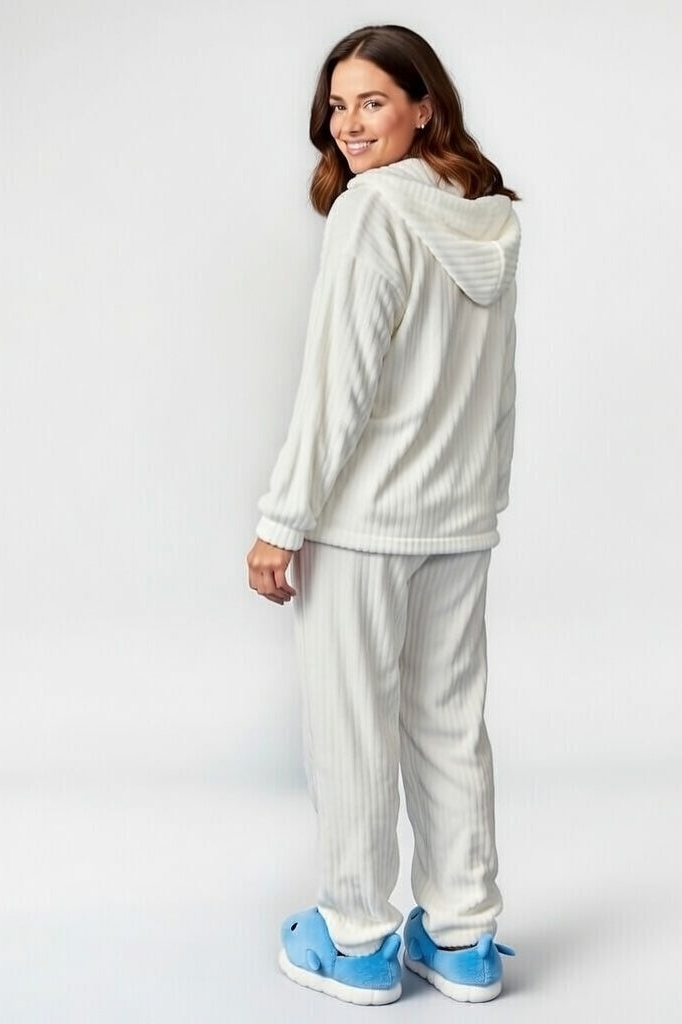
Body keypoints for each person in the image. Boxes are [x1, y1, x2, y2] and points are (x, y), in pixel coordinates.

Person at [246, 24, 521, 1005]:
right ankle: (462, 937)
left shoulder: (371, 211)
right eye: (337, 105)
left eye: (371, 101)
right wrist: (482, 497)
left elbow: (338, 386)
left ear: (422, 107)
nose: (349, 124)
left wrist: (282, 520)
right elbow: (496, 390)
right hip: (458, 517)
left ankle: (357, 939)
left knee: (352, 728)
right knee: (449, 726)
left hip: (365, 524)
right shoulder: (487, 217)